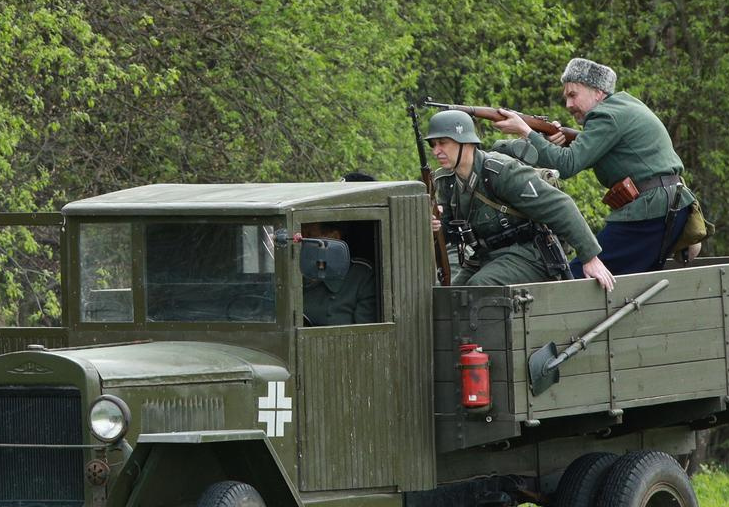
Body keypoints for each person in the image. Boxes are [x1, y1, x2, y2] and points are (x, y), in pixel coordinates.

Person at [490, 59, 701, 276]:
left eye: (573, 95)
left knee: (579, 276)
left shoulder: (606, 115)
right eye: (566, 97)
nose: (568, 105)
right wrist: (560, 140)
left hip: (650, 212)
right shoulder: (624, 105)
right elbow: (608, 149)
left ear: (598, 92)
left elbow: (567, 164)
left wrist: (526, 131)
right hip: (669, 207)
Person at [424, 109, 618, 291]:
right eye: (433, 144)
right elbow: (450, 233)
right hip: (486, 256)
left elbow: (560, 205)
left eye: (443, 142)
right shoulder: (446, 181)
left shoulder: (501, 171)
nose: (436, 151)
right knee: (449, 296)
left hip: (529, 254)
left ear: (464, 141)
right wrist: (436, 227)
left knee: (479, 287)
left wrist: (589, 258)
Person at [300, 222, 381, 325]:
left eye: (309, 235)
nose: (302, 242)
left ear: (334, 237)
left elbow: (366, 334)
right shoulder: (296, 272)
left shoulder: (361, 277)